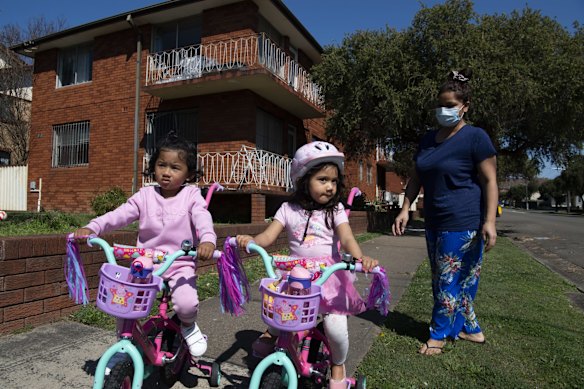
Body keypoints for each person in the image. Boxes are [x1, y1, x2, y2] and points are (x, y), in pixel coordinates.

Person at [237, 141, 379, 388]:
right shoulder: (287, 209)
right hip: (296, 274)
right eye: (323, 179)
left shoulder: (334, 210)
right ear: (303, 179)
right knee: (281, 312)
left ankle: (337, 364)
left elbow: (346, 238)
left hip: (328, 276)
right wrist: (252, 241)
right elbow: (268, 237)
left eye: (334, 181)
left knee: (335, 328)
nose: (330, 186)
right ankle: (274, 334)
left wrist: (359, 258)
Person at [74, 132, 216, 359]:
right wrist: (93, 228)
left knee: (186, 303)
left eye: (175, 167)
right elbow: (119, 215)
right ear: (153, 166)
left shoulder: (191, 195)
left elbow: (202, 218)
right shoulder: (145, 195)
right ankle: (125, 338)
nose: (166, 172)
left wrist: (208, 239)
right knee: (124, 298)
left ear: (189, 173)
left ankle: (188, 325)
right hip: (146, 262)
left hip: (178, 262)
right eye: (161, 165)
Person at [392, 69, 498, 356]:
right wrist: (405, 209)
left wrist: (489, 221)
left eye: (450, 105)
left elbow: (490, 180)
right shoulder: (428, 140)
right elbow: (416, 178)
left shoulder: (475, 137)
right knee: (456, 278)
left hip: (463, 220)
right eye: (441, 104)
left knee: (448, 280)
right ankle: (470, 328)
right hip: (434, 221)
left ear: (465, 106)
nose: (444, 110)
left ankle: (438, 335)